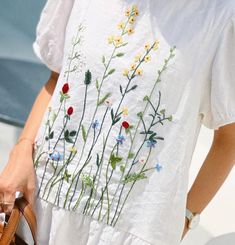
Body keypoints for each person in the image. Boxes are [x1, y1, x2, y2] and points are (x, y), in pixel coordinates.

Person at [0, 0, 235, 244]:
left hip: (129, 232)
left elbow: (229, 138)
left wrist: (185, 218)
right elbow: (57, 79)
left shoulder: (219, 16)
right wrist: (22, 150)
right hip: (39, 213)